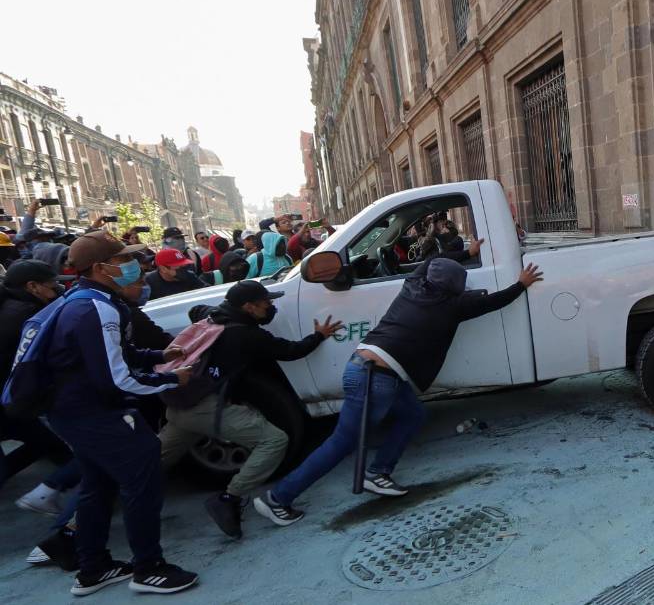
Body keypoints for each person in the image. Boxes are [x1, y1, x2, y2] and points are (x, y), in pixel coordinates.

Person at [256, 257, 543, 525]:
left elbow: (428, 262)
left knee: (412, 415)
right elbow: (494, 302)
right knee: (340, 444)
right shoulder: (452, 307)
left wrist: (466, 252)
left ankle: (378, 472)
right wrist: (521, 284)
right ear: (455, 289)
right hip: (376, 380)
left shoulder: (412, 286)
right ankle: (278, 498)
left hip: (367, 369)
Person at [44, 231, 198, 595]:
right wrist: (170, 379)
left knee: (97, 485)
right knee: (142, 481)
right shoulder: (97, 308)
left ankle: (93, 568)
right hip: (96, 412)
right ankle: (149, 568)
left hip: (72, 412)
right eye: (123, 260)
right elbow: (117, 379)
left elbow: (114, 355)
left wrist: (159, 355)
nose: (133, 266)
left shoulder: (83, 299)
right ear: (101, 268)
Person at [159, 281, 343, 538]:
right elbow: (290, 351)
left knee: (149, 464)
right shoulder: (247, 335)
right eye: (266, 303)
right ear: (248, 307)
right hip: (205, 409)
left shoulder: (213, 315)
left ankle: (119, 499)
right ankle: (228, 498)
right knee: (274, 441)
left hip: (179, 405)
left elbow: (195, 310)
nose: (271, 307)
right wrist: (319, 335)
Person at [0, 260, 76, 511]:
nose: (57, 290)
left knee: (45, 444)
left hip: (12, 398)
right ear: (32, 286)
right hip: (13, 398)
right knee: (54, 446)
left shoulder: (16, 308)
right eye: (52, 285)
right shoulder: (26, 315)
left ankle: (57, 490)